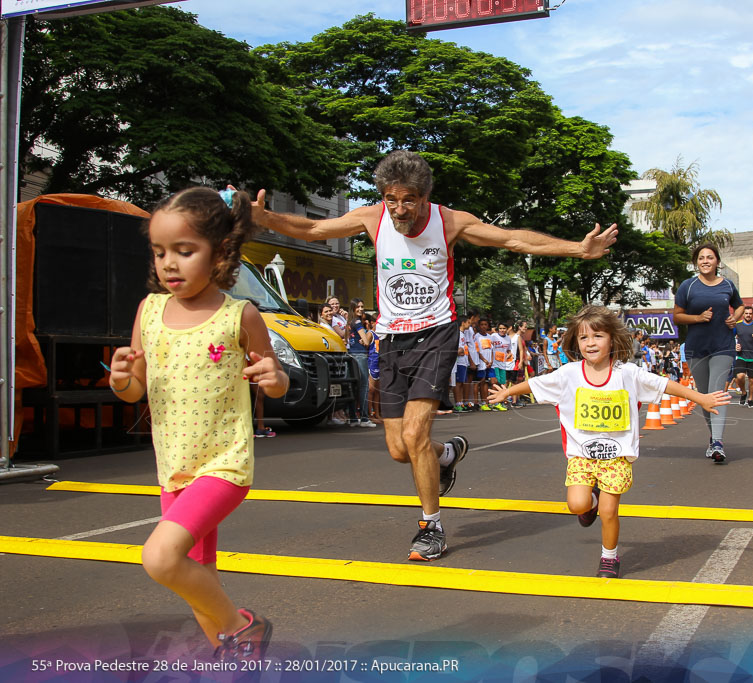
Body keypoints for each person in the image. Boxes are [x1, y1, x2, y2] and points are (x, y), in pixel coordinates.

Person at [242, 149, 618, 561]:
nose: (400, 209)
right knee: (399, 449)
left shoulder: (450, 222)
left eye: (409, 199)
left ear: (424, 197)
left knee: (414, 434)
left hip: (436, 335)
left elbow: (512, 238)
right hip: (389, 342)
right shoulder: (372, 217)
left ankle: (430, 525)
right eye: (392, 199)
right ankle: (448, 453)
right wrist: (266, 219)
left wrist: (577, 249)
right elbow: (314, 228)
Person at [108, 187, 289, 661]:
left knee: (160, 558)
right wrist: (121, 379)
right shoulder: (148, 312)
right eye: (160, 251)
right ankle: (234, 662)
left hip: (223, 465)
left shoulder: (239, 315)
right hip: (173, 467)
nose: (170, 263)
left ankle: (242, 626)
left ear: (220, 252)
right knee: (197, 582)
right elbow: (135, 391)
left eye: (185, 251)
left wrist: (274, 378)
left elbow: (275, 383)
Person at [487, 306, 729, 578]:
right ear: (576, 343)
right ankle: (591, 498)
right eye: (583, 338)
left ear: (612, 339)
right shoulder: (569, 373)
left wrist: (703, 399)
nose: (590, 343)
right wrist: (508, 391)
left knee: (609, 510)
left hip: (616, 456)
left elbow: (665, 386)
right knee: (577, 505)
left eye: (598, 336)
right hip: (582, 455)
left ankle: (609, 557)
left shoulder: (628, 373)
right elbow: (537, 384)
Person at [673, 243, 744, 464]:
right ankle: (713, 437)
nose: (705, 261)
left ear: (717, 262)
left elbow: (740, 306)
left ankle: (718, 443)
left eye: (710, 257)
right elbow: (677, 316)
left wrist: (736, 317)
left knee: (716, 392)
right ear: (697, 262)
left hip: (723, 345)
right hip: (696, 348)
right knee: (704, 396)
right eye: (701, 258)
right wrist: (698, 318)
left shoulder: (728, 285)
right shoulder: (688, 286)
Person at [346, 298, 375, 427]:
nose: (361, 309)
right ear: (353, 308)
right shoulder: (357, 322)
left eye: (362, 306)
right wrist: (369, 332)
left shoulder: (349, 322)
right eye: (358, 306)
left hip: (351, 354)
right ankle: (364, 418)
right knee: (363, 386)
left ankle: (353, 418)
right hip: (360, 354)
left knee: (353, 386)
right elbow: (366, 341)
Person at [732, 306, 753, 407]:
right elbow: (729, 338)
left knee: (752, 379)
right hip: (741, 355)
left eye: (750, 313)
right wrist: (735, 345)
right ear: (743, 314)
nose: (748, 315)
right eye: (746, 313)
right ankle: (743, 392)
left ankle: (750, 399)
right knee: (739, 376)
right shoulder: (737, 325)